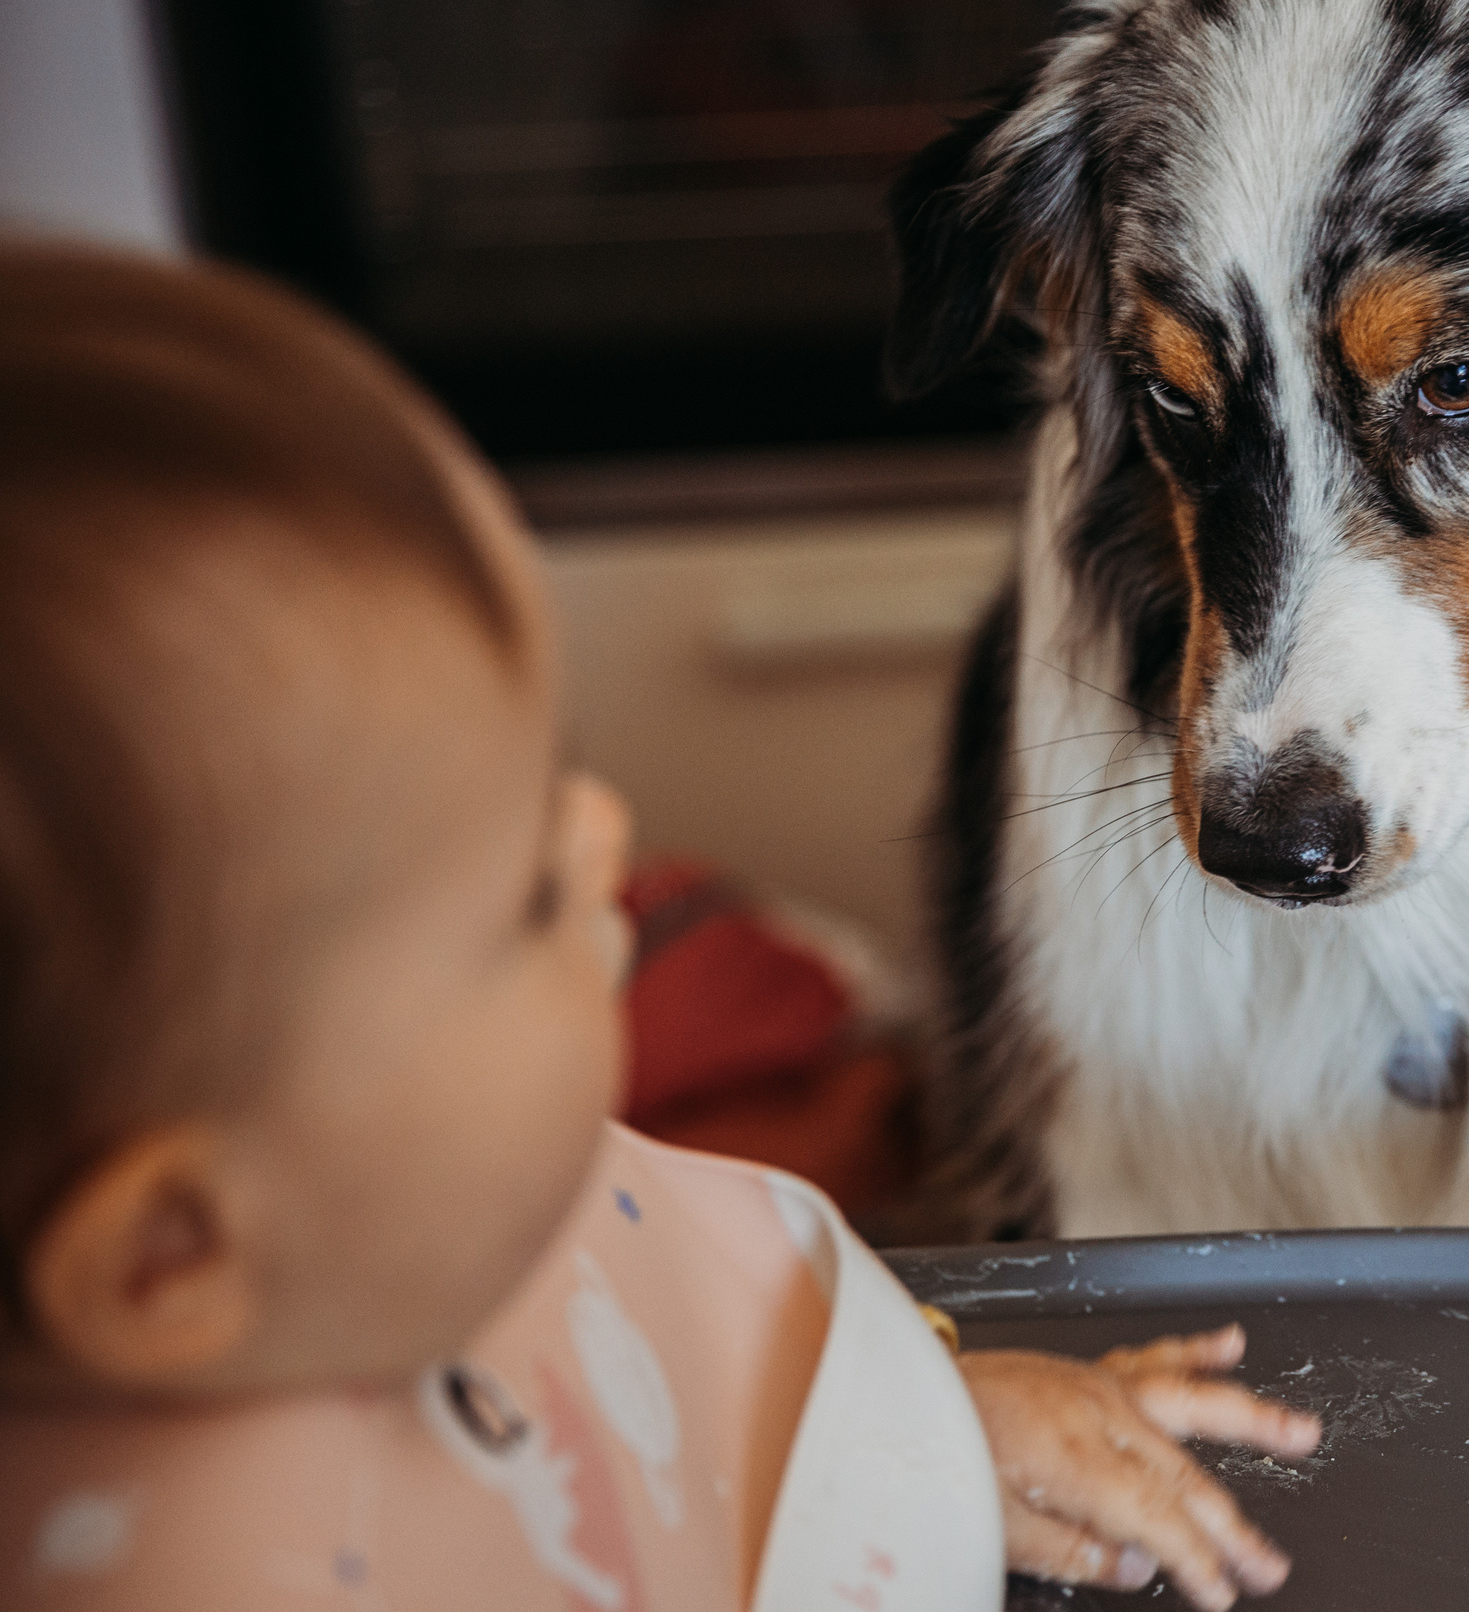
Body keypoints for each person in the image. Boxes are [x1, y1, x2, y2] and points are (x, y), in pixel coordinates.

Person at [0, 244, 1319, 1610]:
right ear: (171, 1255)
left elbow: (691, 1378)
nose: (606, 839)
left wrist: (928, 1438)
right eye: (520, 896)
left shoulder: (398, 1208)